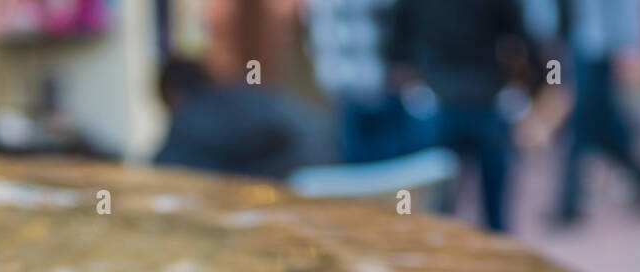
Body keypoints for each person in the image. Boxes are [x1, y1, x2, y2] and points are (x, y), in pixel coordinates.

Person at [387, 0, 535, 231]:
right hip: (479, 100)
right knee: (491, 214)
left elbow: (396, 44)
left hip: (446, 102)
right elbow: (521, 40)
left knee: (436, 210)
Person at [554, 0, 640, 224]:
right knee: (597, 120)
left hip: (597, 46)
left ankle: (569, 200)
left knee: (583, 120)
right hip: (577, 41)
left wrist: (630, 45)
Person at [153, 58, 334, 179]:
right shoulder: (252, 96)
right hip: (328, 168)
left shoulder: (193, 120)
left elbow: (162, 171)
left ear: (172, 95)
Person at [304, 0, 423, 163]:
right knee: (353, 168)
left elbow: (403, 20)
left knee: (394, 166)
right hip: (338, 95)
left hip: (385, 89)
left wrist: (405, 62)